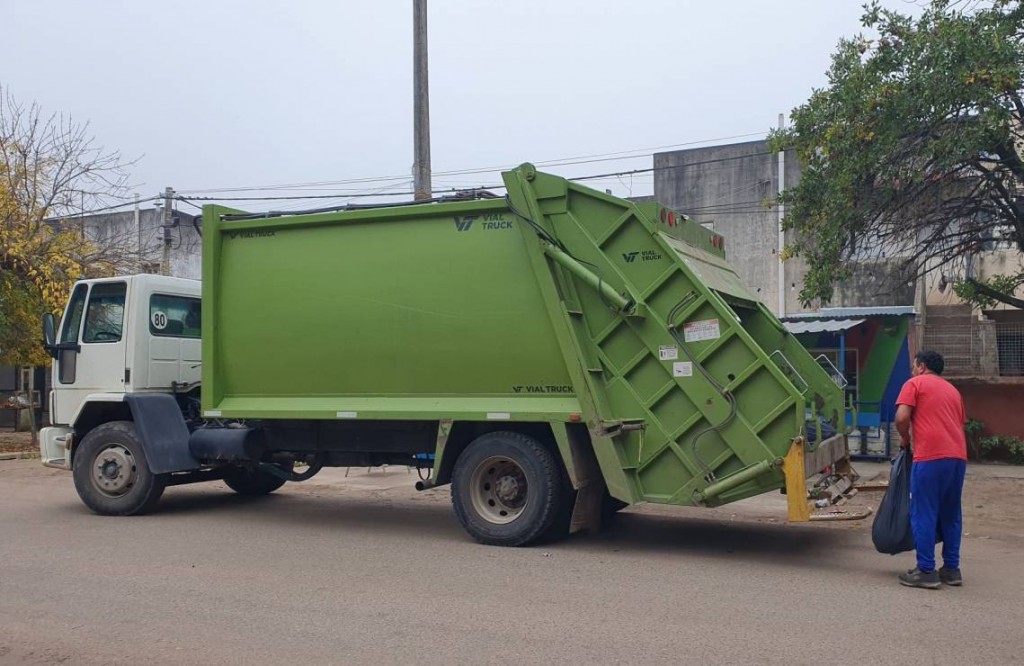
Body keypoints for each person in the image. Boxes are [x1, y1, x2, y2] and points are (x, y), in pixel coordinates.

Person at [894, 350, 968, 589]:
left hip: (930, 457)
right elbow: (958, 423)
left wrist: (905, 439)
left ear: (922, 366)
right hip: (957, 457)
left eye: (915, 366)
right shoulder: (953, 391)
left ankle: (926, 570)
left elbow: (902, 417)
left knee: (924, 511)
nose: (913, 370)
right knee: (951, 513)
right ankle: (951, 569)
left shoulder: (914, 383)